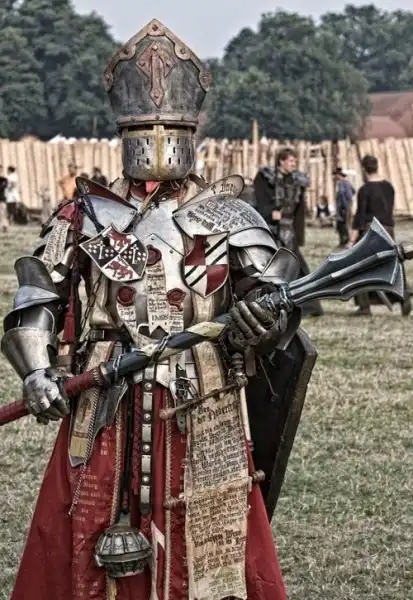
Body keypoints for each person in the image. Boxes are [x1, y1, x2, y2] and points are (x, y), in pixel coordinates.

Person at [1, 19, 318, 600]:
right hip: (102, 397)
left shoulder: (231, 215)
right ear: (122, 132)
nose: (156, 142)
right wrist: (37, 371)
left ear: (190, 130)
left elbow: (277, 292)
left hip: (203, 395)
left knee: (212, 534)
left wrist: (264, 318)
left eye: (169, 129)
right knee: (88, 524)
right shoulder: (84, 215)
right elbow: (37, 295)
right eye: (142, 131)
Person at [253, 149, 323, 316]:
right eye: (291, 160)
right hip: (269, 229)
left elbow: (298, 211)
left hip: (288, 231)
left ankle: (310, 306)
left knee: (298, 267)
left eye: (295, 161)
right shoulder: (265, 178)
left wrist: (298, 235)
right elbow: (259, 201)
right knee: (269, 268)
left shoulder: (297, 181)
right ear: (281, 161)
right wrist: (270, 213)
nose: (294, 164)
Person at [349, 154, 411, 316]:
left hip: (371, 231)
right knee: (391, 265)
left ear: (364, 170)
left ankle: (364, 306)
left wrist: (352, 240)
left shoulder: (365, 190)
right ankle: (403, 295)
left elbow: (360, 217)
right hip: (388, 230)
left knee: (359, 267)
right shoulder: (389, 187)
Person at [334, 167, 354, 247]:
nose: (334, 177)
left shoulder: (341, 183)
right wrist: (349, 200)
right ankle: (347, 240)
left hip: (343, 207)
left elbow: (342, 194)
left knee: (343, 224)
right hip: (348, 205)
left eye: (335, 175)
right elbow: (353, 191)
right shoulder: (348, 182)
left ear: (338, 175)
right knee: (348, 223)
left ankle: (346, 241)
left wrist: (343, 206)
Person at [0, 165, 9, 232]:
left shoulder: (4, 180)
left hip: (1, 199)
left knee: (3, 213)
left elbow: (3, 187)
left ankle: (4, 226)